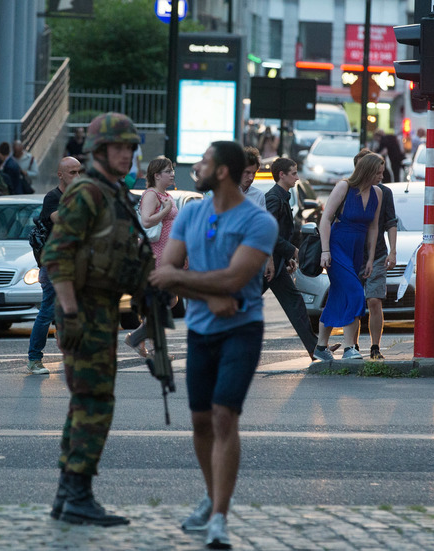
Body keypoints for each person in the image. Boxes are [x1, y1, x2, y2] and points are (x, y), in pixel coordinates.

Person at [148, 141, 277, 549]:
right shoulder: (191, 212)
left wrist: (201, 286)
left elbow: (233, 282)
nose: (196, 167)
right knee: (201, 421)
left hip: (243, 330)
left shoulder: (259, 221)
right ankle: (211, 495)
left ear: (221, 171)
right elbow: (164, 270)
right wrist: (210, 294)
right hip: (201, 330)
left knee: (224, 417)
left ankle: (219, 516)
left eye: (204, 161)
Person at [41, 112, 154, 527]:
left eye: (130, 147)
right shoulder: (87, 192)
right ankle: (78, 496)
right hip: (84, 310)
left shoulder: (114, 192)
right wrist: (70, 313)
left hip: (103, 309)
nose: (126, 154)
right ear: (100, 151)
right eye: (118, 147)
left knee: (85, 402)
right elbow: (56, 256)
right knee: (94, 403)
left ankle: (68, 495)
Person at [313, 152, 384, 361]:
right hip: (337, 245)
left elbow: (374, 227)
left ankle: (320, 347)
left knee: (337, 296)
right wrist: (325, 251)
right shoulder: (344, 187)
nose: (381, 176)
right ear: (368, 171)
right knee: (355, 292)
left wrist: (370, 258)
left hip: (357, 249)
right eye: (378, 173)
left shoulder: (378, 193)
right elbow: (325, 219)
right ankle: (349, 348)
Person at [26, 156, 83, 375]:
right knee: (48, 310)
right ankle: (34, 358)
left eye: (79, 172)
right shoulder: (54, 197)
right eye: (72, 173)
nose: (77, 176)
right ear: (60, 175)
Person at [263, 157, 321, 364]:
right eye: (294, 173)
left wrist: (288, 256)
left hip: (276, 264)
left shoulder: (283, 197)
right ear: (282, 175)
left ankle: (315, 349)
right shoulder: (274, 198)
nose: (297, 177)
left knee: (295, 303)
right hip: (266, 264)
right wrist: (293, 251)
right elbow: (268, 232)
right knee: (241, 305)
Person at [123, 156, 178, 358]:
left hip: (168, 254)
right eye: (168, 171)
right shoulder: (151, 195)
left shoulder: (166, 195)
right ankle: (153, 347)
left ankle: (138, 339)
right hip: (156, 255)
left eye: (172, 170)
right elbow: (146, 222)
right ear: (156, 175)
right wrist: (164, 211)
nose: (172, 174)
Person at [351, 148, 398, 360]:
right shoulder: (348, 190)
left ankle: (375, 346)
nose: (379, 176)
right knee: (353, 300)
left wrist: (393, 250)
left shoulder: (383, 193)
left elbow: (389, 222)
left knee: (374, 300)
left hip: (377, 252)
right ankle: (351, 346)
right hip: (352, 253)